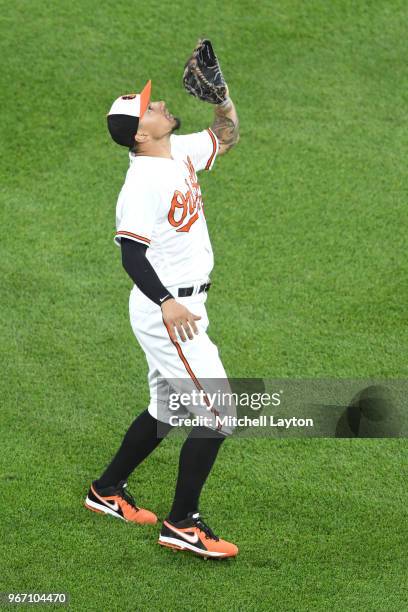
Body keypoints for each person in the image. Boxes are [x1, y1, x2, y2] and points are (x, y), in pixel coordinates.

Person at [84, 78, 240, 559]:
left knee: (168, 409)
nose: (163, 105)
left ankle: (106, 491)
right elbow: (132, 255)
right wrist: (167, 301)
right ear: (139, 135)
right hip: (170, 314)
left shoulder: (177, 152)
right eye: (152, 108)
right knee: (221, 415)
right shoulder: (143, 183)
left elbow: (226, 134)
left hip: (183, 308)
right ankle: (182, 524)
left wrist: (222, 99)